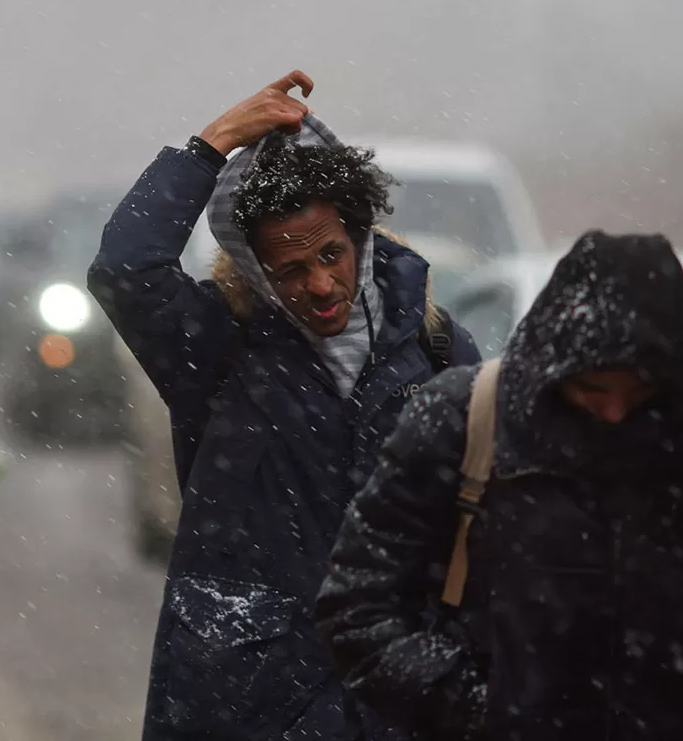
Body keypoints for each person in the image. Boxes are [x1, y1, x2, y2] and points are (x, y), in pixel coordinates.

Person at [316, 231, 683, 741]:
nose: (615, 411)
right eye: (592, 389)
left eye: (637, 390)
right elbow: (358, 609)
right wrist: (479, 706)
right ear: (553, 368)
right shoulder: (464, 421)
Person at [88, 71, 480, 740]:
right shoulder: (217, 350)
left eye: (332, 254)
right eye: (292, 270)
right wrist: (209, 147)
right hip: (243, 697)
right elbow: (127, 270)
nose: (321, 284)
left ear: (360, 239)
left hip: (390, 702)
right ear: (256, 272)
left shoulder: (436, 350)